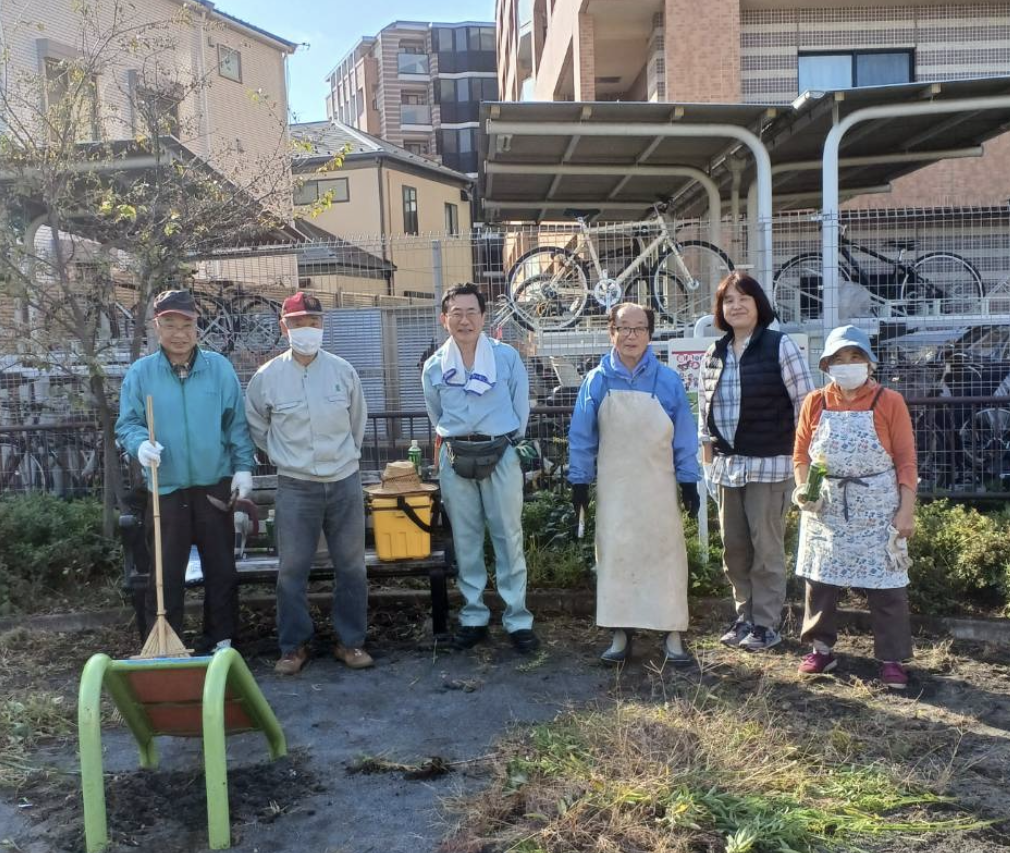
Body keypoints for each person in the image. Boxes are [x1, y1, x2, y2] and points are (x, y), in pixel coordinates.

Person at [115, 289, 255, 653]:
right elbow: (128, 423)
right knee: (165, 575)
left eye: (186, 324)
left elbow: (235, 425)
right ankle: (163, 645)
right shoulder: (141, 373)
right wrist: (139, 444)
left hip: (213, 486)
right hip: (166, 489)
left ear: (198, 326)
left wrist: (242, 469)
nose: (179, 333)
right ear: (156, 327)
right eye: (170, 324)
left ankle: (220, 641)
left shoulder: (218, 369)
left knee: (221, 570)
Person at [244, 292, 372, 675]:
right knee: (291, 570)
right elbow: (257, 426)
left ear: (323, 326)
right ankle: (293, 646)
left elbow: (357, 425)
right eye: (298, 323)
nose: (307, 330)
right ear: (284, 327)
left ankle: (350, 643)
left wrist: (339, 458)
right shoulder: (267, 378)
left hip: (344, 481)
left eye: (313, 323)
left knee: (352, 567)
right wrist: (287, 457)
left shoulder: (343, 372)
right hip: (296, 485)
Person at [568, 303, 701, 664]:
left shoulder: (669, 381)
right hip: (615, 489)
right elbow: (581, 437)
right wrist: (579, 481)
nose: (631, 336)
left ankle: (673, 633)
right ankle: (619, 634)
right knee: (615, 555)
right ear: (611, 331)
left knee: (667, 555)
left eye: (639, 328)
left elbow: (685, 437)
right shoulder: (596, 380)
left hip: (659, 486)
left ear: (650, 334)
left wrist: (689, 480)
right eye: (623, 328)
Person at [793, 325, 917, 689]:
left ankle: (891, 658)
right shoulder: (815, 402)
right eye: (839, 359)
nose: (847, 365)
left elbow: (907, 460)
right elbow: (801, 452)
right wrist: (805, 488)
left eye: (855, 357)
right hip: (826, 506)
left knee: (888, 585)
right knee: (820, 580)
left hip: (878, 505)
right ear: (826, 365)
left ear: (870, 363)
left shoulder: (889, 401)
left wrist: (905, 509)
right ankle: (821, 649)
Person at [698, 272, 814, 651]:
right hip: (727, 469)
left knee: (766, 550)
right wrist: (708, 466)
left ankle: (766, 624)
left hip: (771, 465)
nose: (736, 305)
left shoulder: (780, 347)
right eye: (728, 299)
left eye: (743, 297)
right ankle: (743, 617)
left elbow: (806, 407)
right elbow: (704, 417)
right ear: (720, 309)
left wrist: (804, 465)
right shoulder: (713, 355)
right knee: (734, 550)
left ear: (758, 303)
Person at [422, 283, 539, 654]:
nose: (464, 319)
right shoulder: (435, 365)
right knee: (466, 541)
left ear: (484, 317)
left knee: (508, 536)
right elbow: (436, 414)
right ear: (444, 319)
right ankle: (473, 616)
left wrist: (506, 442)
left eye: (471, 311)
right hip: (455, 455)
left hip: (501, 451)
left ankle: (517, 619)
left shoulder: (506, 358)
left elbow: (521, 409)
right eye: (455, 312)